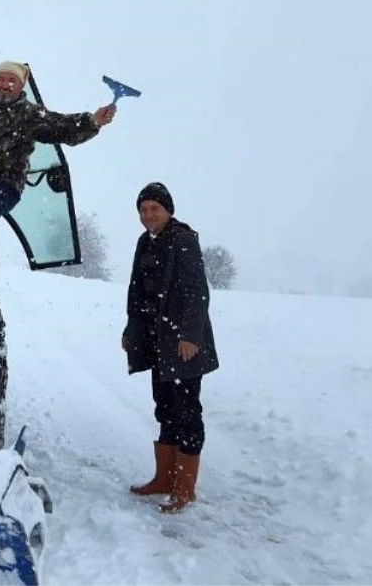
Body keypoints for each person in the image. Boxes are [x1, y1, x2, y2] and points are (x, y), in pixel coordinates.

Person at [0, 60, 116, 289]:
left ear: (20, 85)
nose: (6, 85)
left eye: (12, 80)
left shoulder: (29, 114)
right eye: (1, 79)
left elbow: (61, 127)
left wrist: (92, 121)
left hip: (4, 183)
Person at [122, 181, 219, 513]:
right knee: (165, 408)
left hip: (182, 343)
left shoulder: (183, 240)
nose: (148, 215)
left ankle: (184, 488)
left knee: (187, 411)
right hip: (157, 341)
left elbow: (197, 291)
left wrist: (191, 336)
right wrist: (131, 329)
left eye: (154, 209)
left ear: (168, 211)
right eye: (143, 209)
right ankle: (164, 479)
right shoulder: (145, 242)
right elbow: (137, 292)